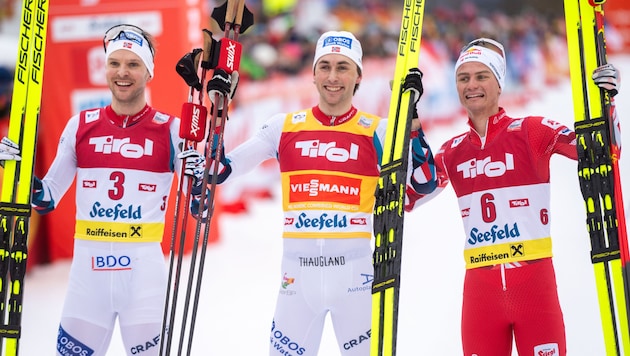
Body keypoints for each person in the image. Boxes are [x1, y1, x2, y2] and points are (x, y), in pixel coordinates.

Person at [189, 30, 437, 355]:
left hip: (357, 280)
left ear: (358, 75)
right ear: (314, 72)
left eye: (343, 67)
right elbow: (218, 171)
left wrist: (411, 120)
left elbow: (425, 182)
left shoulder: (378, 130)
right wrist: (216, 113)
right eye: (325, 66)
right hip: (297, 283)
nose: (333, 77)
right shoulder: (284, 126)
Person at [406, 37, 621, 356]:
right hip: (482, 294)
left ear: (499, 82)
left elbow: (602, 152)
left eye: (482, 76)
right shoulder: (452, 151)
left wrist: (608, 102)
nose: (472, 85)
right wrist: (408, 122)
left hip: (534, 289)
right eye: (463, 78)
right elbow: (414, 193)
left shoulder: (533, 132)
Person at [0, 25, 205, 355]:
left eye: (133, 64)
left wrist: (200, 179)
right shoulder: (81, 125)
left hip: (144, 284)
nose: (122, 73)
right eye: (115, 63)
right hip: (88, 284)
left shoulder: (171, 130)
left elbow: (199, 207)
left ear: (148, 72)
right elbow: (46, 197)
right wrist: (17, 172)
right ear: (105, 68)